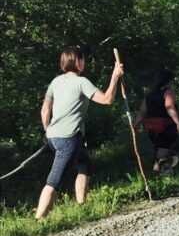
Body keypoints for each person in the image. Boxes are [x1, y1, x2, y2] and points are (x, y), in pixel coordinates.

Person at [36, 47, 124, 219]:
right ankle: (39, 221)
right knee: (54, 181)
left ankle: (82, 206)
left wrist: (48, 131)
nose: (84, 63)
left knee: (85, 165)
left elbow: (45, 109)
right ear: (78, 61)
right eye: (83, 59)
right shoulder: (81, 82)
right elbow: (107, 99)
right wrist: (115, 76)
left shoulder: (55, 81)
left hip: (54, 137)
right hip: (69, 138)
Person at [133, 69, 179, 175]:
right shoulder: (168, 92)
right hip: (167, 126)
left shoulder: (149, 95)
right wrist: (178, 122)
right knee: (162, 153)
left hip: (151, 128)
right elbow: (169, 107)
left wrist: (133, 126)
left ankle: (167, 172)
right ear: (169, 80)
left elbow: (142, 113)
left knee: (162, 150)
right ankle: (157, 174)